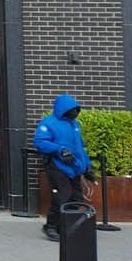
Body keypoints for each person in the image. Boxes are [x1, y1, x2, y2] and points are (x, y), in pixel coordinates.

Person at [32, 94, 94, 241]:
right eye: (73, 109)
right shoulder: (48, 123)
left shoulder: (74, 125)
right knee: (62, 196)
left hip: (74, 166)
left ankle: (66, 227)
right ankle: (51, 226)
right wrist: (59, 150)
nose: (75, 112)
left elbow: (80, 148)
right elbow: (40, 142)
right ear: (64, 109)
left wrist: (87, 167)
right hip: (57, 165)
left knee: (76, 198)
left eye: (76, 110)